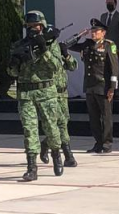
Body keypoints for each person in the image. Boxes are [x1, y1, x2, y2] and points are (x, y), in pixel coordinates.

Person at [7, 11, 63, 181]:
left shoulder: (51, 43)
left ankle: (56, 155)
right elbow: (11, 72)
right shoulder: (19, 45)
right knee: (30, 131)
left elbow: (56, 68)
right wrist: (14, 62)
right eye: (30, 27)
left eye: (36, 26)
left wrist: (44, 50)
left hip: (46, 93)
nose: (33, 29)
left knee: (51, 129)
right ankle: (31, 167)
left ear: (42, 26)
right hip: (26, 93)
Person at [68, 19, 119, 154]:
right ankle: (98, 143)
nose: (93, 33)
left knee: (106, 116)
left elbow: (114, 68)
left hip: (103, 86)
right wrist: (79, 36)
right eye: (92, 31)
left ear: (103, 33)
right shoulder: (87, 44)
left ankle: (107, 143)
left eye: (96, 31)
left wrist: (112, 87)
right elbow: (67, 45)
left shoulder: (109, 45)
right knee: (94, 117)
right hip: (90, 85)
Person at [40, 23, 79, 169]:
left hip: (63, 93)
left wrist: (66, 54)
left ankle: (45, 144)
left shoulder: (58, 48)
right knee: (60, 125)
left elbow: (73, 66)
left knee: (63, 124)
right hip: (52, 93)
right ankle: (68, 156)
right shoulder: (44, 50)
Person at [101, 0, 119, 100]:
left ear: (115, 4)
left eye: (111, 3)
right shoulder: (103, 16)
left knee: (117, 70)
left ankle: (118, 92)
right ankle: (107, 90)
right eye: (107, 3)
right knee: (105, 69)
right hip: (104, 48)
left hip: (115, 48)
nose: (109, 5)